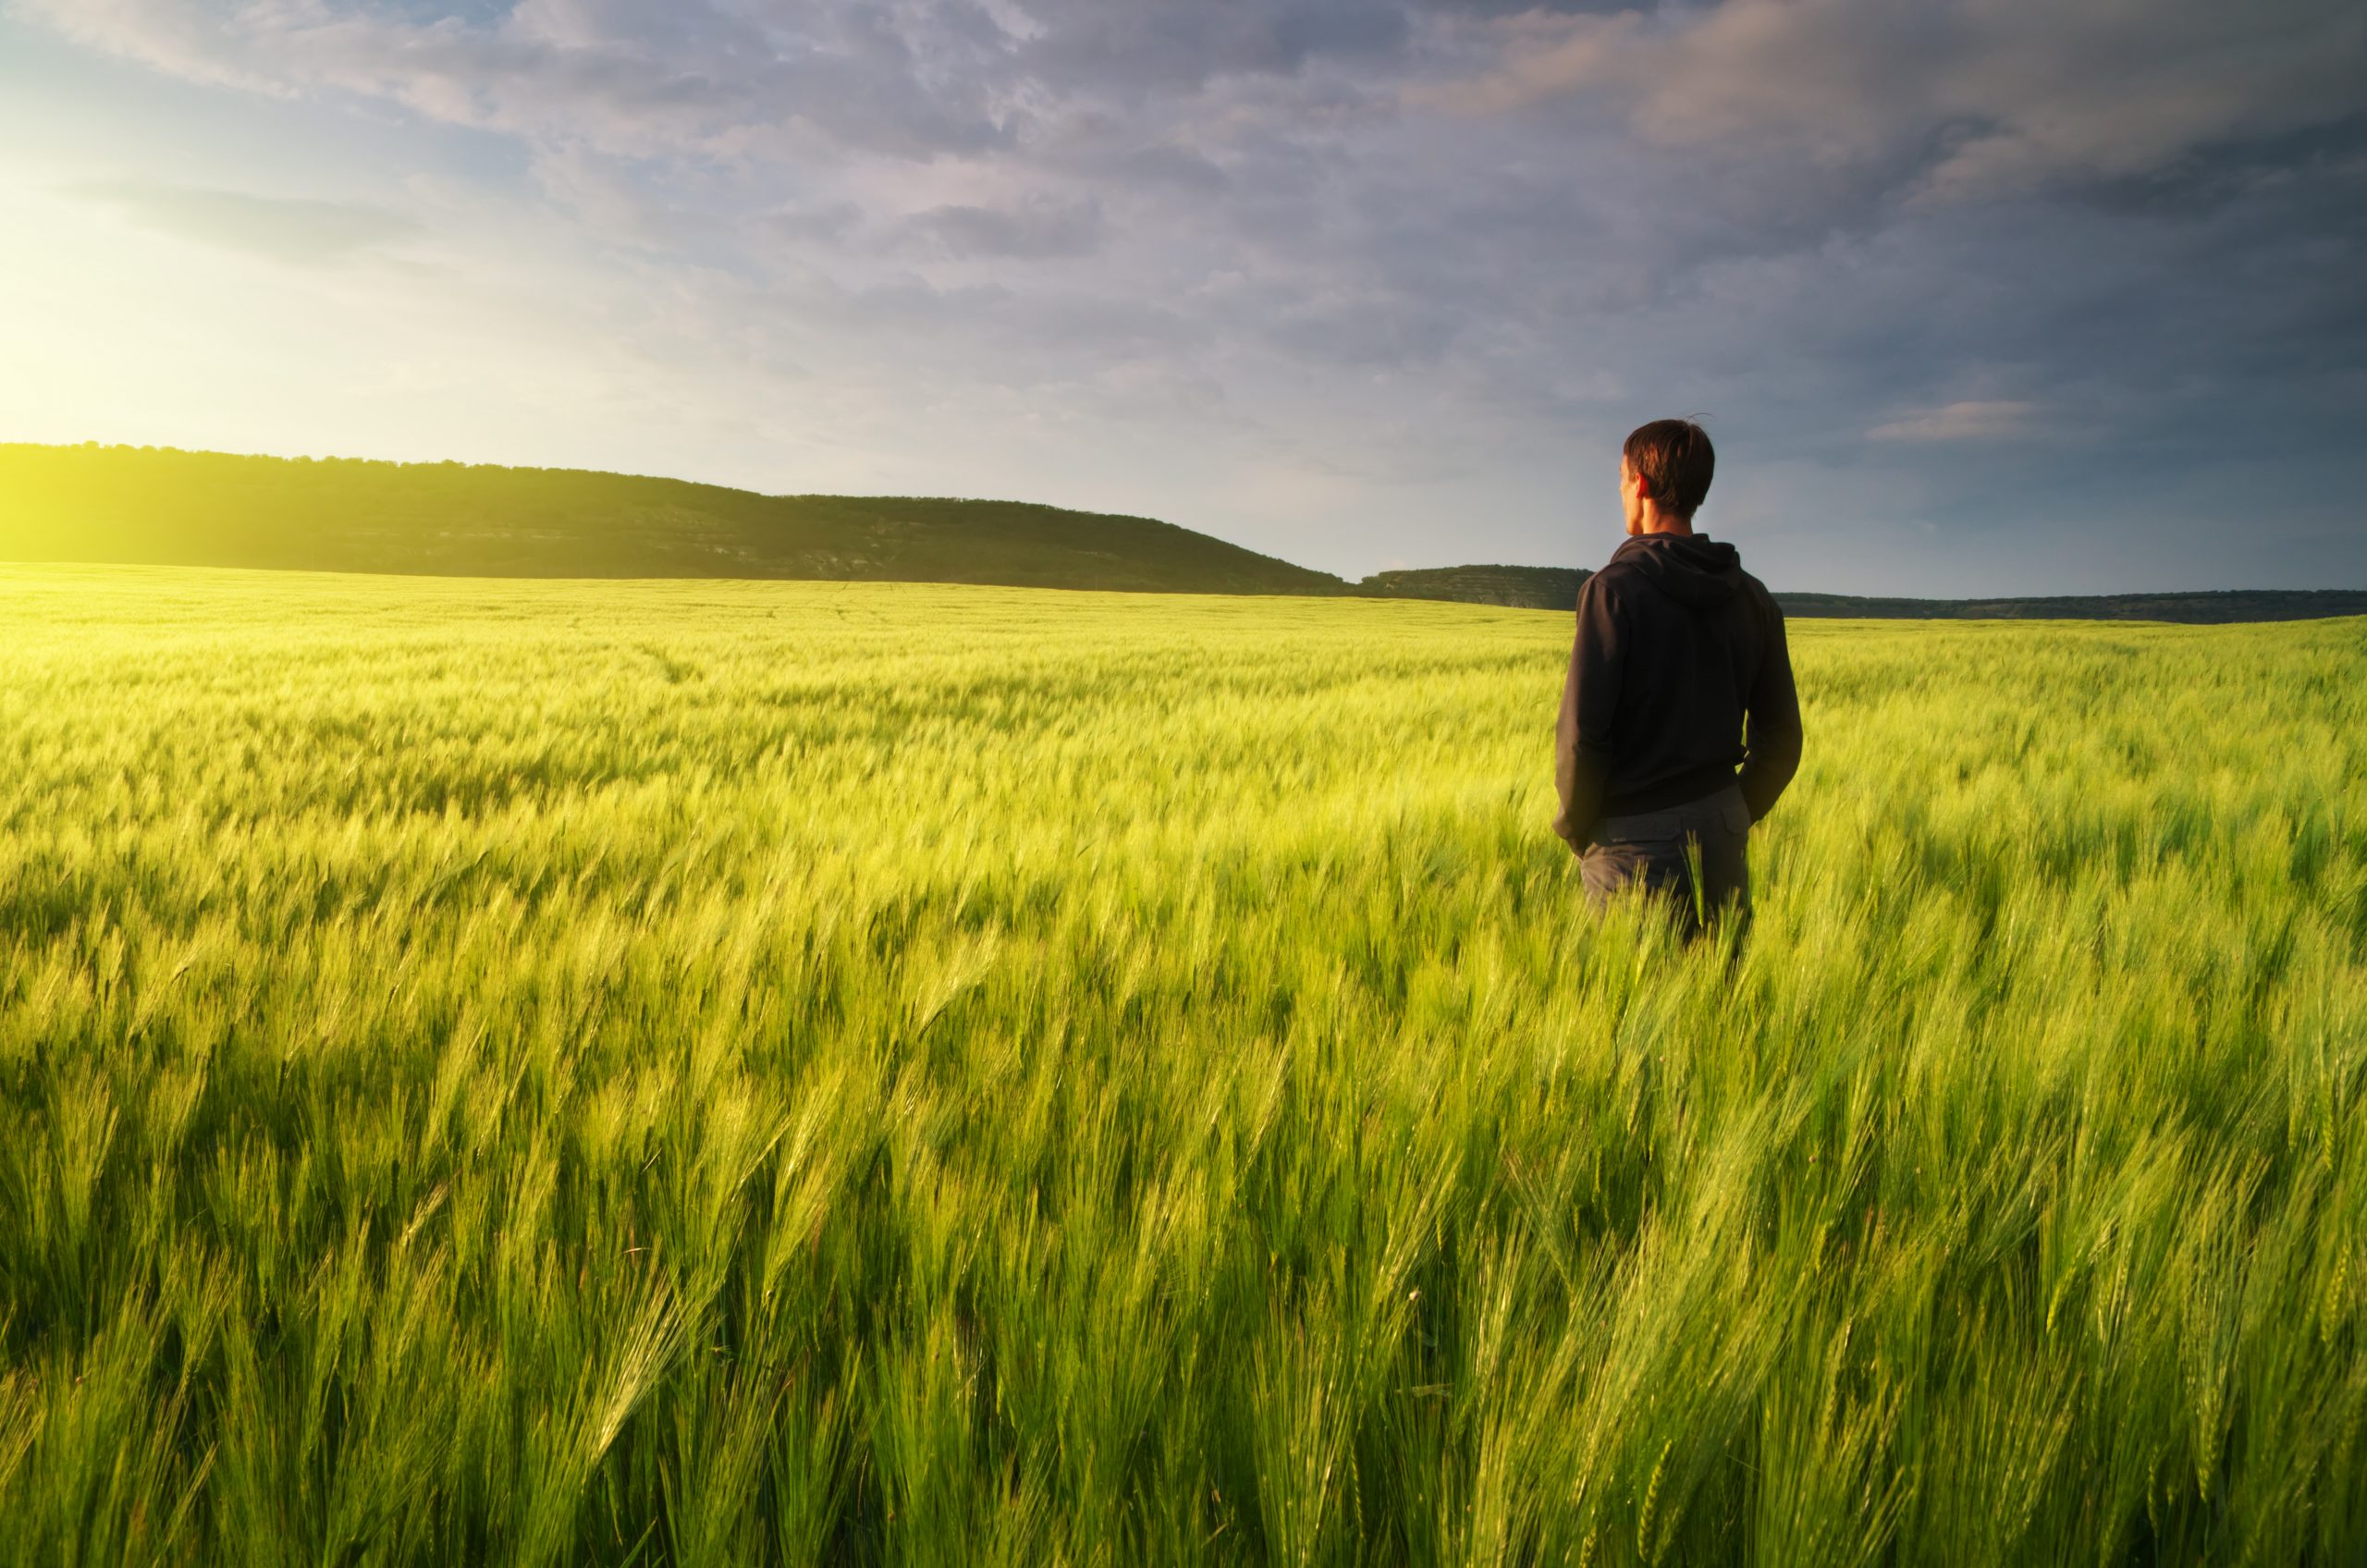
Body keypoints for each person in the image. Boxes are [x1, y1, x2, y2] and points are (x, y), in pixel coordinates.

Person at [1552, 419, 1801, 937]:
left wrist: (1579, 829)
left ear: (1640, 484)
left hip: (1630, 845)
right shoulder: (1754, 598)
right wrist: (1735, 811)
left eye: (1621, 478)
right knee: (1720, 1005)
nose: (1620, 490)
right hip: (1722, 828)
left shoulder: (1613, 592)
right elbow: (1782, 737)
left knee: (1634, 1011)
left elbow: (1582, 736)